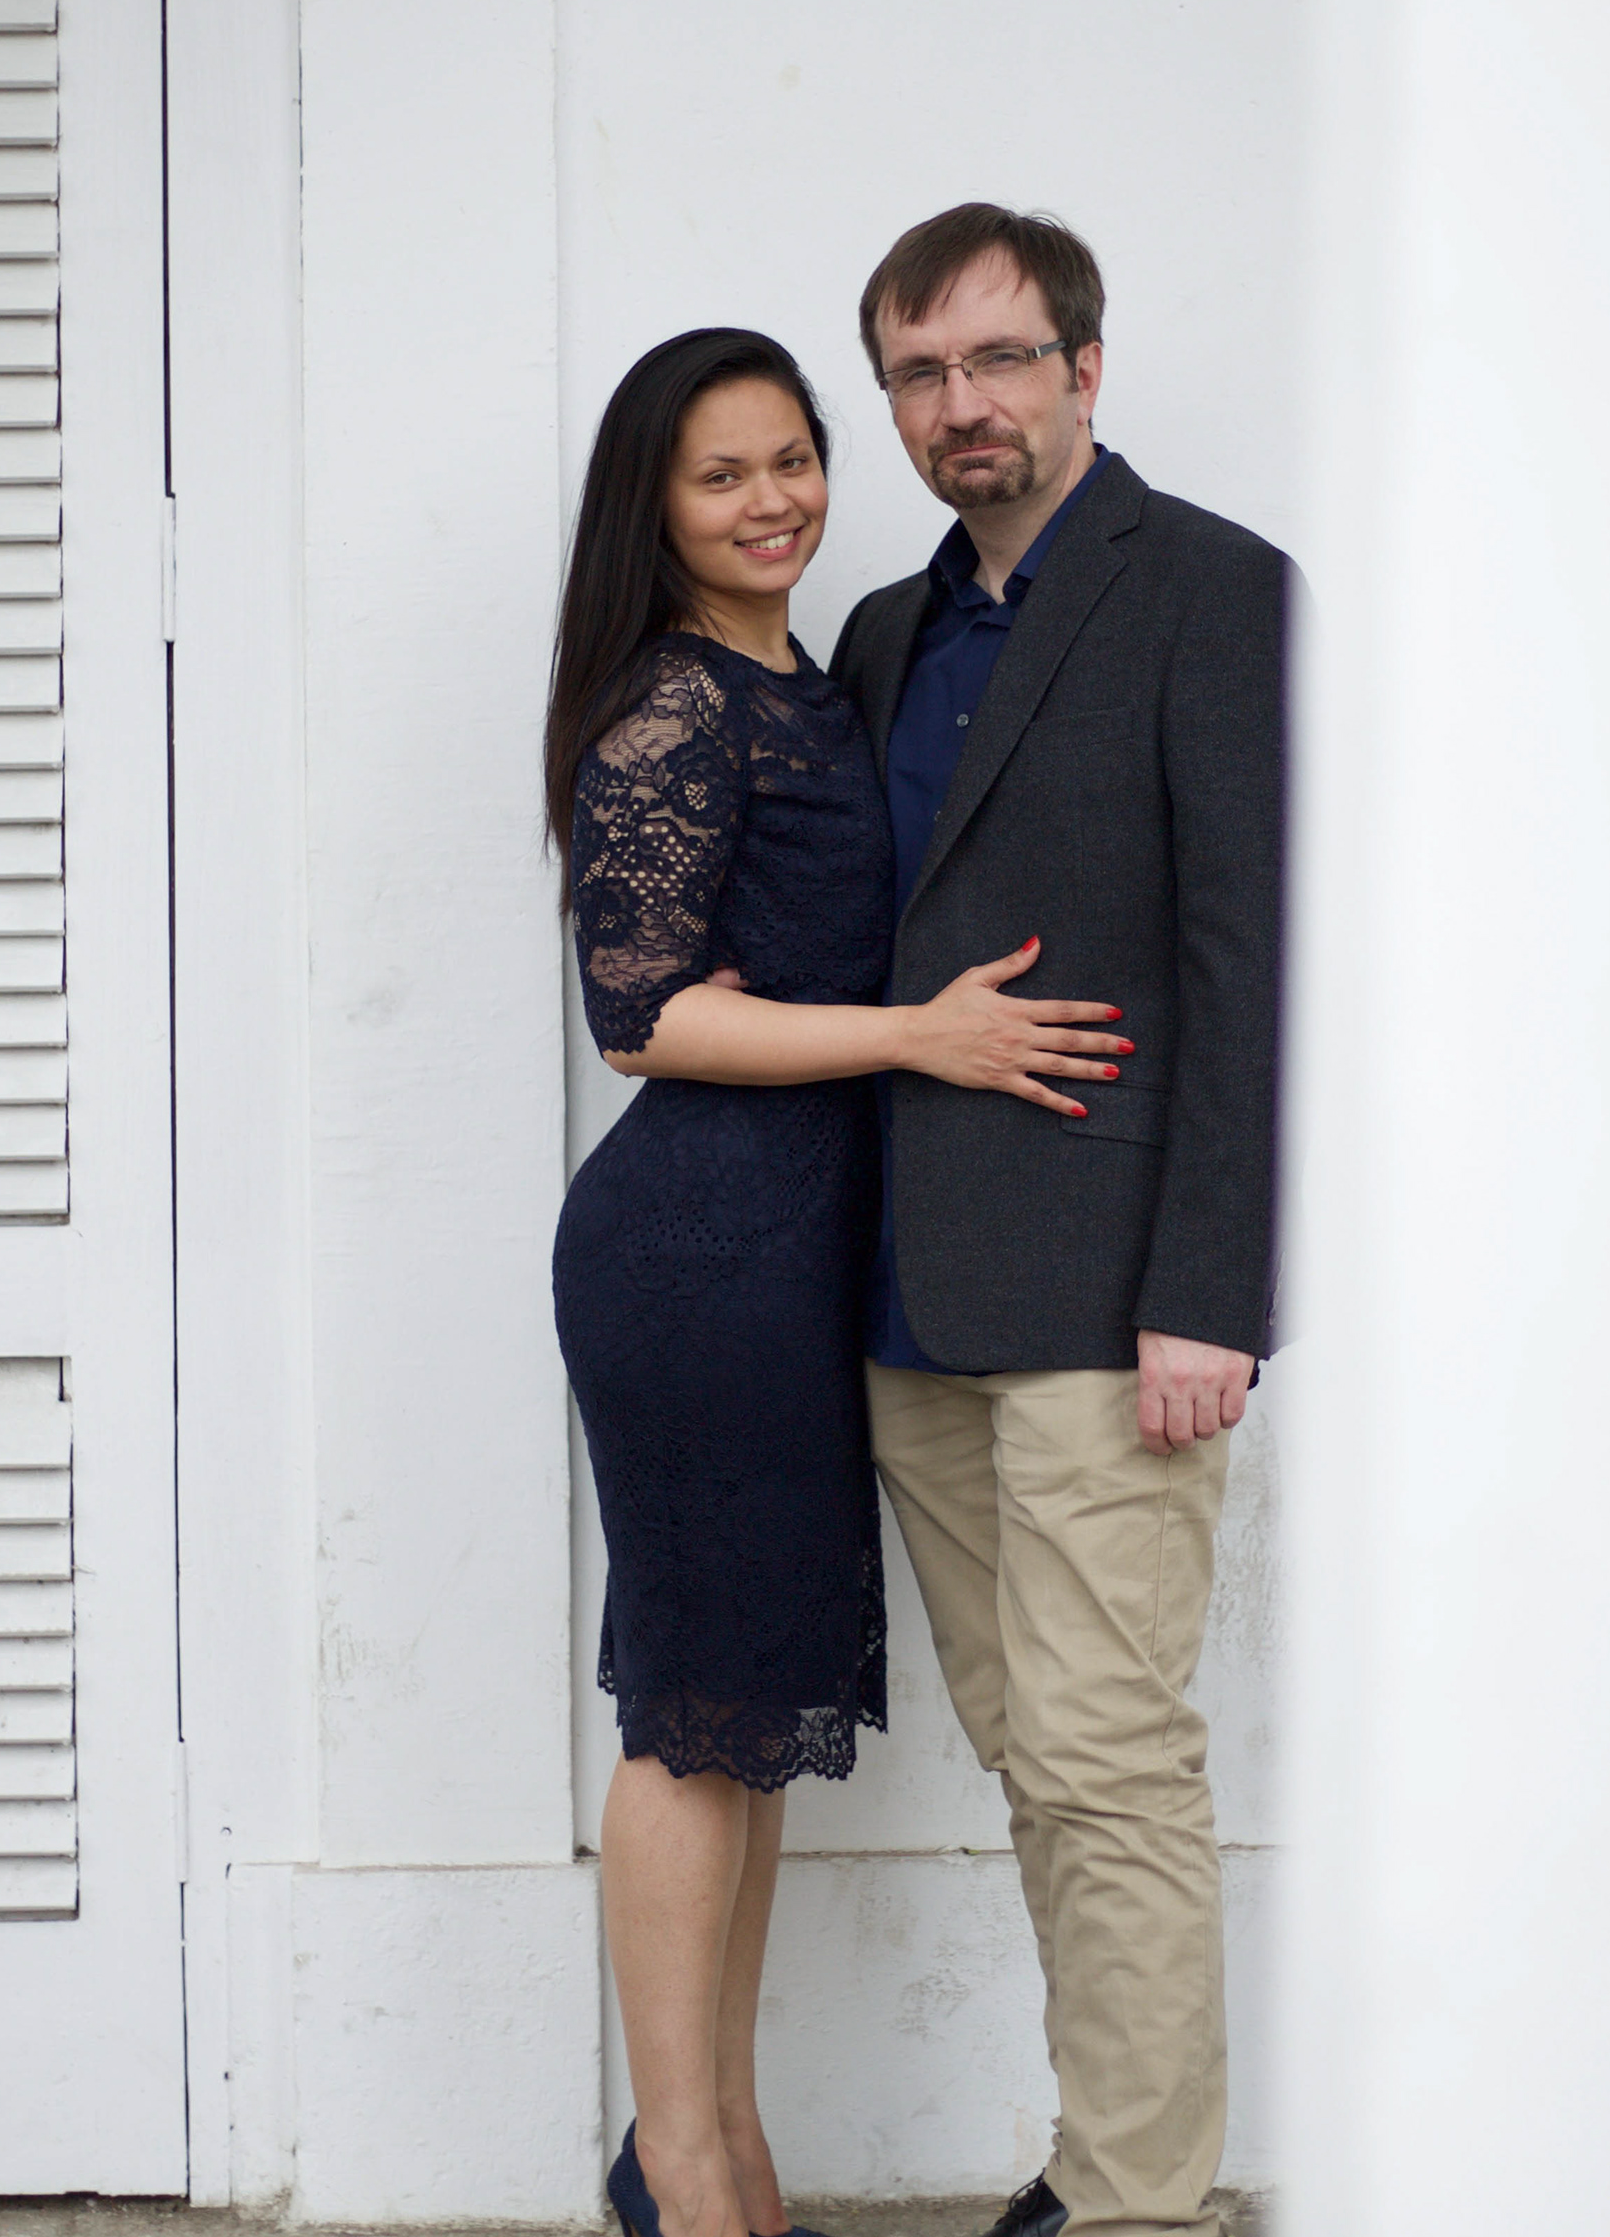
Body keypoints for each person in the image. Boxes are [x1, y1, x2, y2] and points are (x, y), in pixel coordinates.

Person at [545, 326, 1138, 2237]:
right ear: (655, 508)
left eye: (792, 459)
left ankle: (720, 2143)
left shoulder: (814, 681)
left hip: (801, 1266)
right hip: (696, 1257)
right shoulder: (672, 705)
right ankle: (681, 2165)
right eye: (721, 475)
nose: (772, 500)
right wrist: (912, 1036)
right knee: (690, 1719)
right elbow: (644, 1017)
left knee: (749, 1723)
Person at [826, 208, 1288, 2237]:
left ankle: (1141, 2210)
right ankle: (1108, 2161)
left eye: (1001, 358)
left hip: (1114, 1304)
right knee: (1041, 1754)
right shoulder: (880, 636)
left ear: (1085, 367)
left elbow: (1252, 963)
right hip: (910, 1299)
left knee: (1111, 1761)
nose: (964, 404)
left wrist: (1212, 1294)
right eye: (921, 373)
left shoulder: (1214, 590)